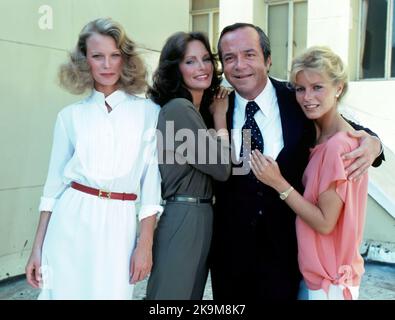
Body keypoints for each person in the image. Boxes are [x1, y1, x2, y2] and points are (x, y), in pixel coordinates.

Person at [208, 22, 384, 300]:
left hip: (289, 262)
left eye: (249, 54)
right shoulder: (215, 108)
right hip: (230, 262)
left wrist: (375, 144)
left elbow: (344, 128)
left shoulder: (299, 98)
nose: (239, 65)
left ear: (268, 59)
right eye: (229, 58)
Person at [25, 18, 163, 299]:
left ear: (125, 60)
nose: (107, 65)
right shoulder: (69, 117)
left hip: (120, 225)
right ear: (83, 61)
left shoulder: (150, 112)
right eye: (97, 56)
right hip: (70, 222)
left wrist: (145, 243)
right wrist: (37, 248)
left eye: (115, 56)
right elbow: (53, 188)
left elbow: (151, 188)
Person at [250, 46, 368, 300]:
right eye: (301, 89)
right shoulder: (319, 137)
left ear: (338, 88)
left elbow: (325, 223)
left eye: (317, 87)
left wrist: (278, 182)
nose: (307, 97)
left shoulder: (338, 146)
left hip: (329, 283)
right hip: (315, 275)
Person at [145, 31, 231, 299]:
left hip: (200, 214)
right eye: (190, 61)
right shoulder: (179, 109)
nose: (202, 67)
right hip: (184, 214)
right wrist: (220, 119)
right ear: (175, 68)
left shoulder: (193, 111)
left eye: (205, 59)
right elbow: (222, 168)